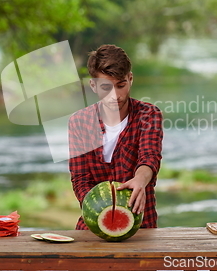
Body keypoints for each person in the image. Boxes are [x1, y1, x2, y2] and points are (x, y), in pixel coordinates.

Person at [68, 44, 163, 230]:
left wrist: (140, 180)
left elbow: (149, 158)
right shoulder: (78, 122)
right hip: (93, 226)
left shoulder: (149, 115)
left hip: (141, 225)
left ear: (130, 79)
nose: (115, 96)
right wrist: (104, 214)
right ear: (93, 85)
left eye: (121, 86)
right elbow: (80, 179)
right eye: (106, 87)